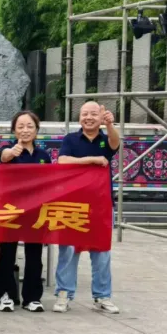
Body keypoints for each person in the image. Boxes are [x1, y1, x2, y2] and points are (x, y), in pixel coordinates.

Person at [54, 101, 121, 314]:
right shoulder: (70, 139)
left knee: (101, 251)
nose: (89, 117)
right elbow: (63, 160)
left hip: (101, 204)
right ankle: (64, 294)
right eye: (85, 114)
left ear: (100, 117)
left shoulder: (105, 139)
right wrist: (92, 159)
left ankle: (102, 296)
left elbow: (115, 143)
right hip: (72, 203)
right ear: (79, 117)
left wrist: (110, 125)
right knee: (68, 250)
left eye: (93, 114)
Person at [0, 110, 51, 313]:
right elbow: (4, 157)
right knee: (7, 253)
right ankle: (7, 295)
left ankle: (32, 298)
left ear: (37, 130)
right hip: (10, 210)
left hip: (36, 210)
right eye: (20, 126)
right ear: (14, 130)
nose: (25, 130)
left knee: (34, 254)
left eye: (30, 126)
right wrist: (12, 152)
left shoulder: (43, 156)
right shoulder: (7, 149)